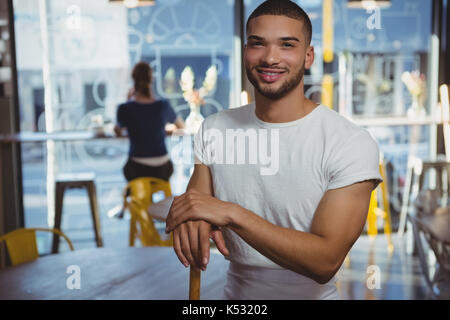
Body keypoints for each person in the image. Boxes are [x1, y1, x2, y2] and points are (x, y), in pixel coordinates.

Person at [165, 0, 382, 300]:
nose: (270, 57)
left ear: (308, 56)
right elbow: (196, 208)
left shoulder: (349, 142)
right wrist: (193, 218)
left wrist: (230, 213)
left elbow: (325, 261)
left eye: (286, 45)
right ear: (245, 52)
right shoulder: (215, 128)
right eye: (258, 44)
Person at [115, 61, 184, 182]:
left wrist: (128, 100)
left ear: (133, 79)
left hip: (137, 167)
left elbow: (118, 131)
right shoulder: (162, 105)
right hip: (162, 167)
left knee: (127, 170)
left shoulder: (125, 108)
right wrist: (162, 131)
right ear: (151, 79)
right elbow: (180, 126)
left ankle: (139, 200)